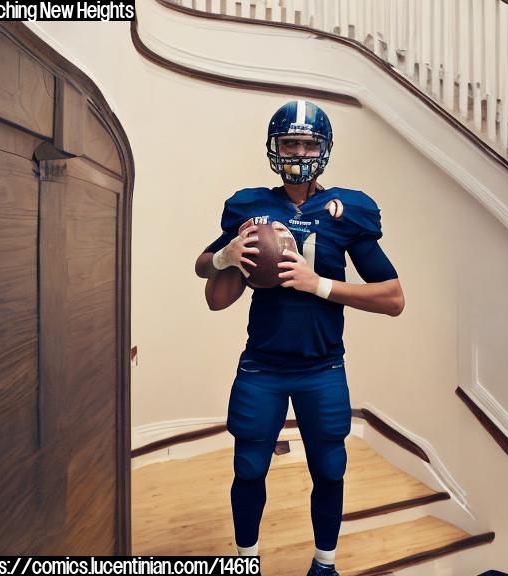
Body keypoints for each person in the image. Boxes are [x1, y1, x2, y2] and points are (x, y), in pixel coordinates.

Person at [194, 100, 405, 576]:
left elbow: (393, 297)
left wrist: (319, 285)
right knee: (249, 466)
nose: (299, 152)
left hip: (322, 365)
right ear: (274, 147)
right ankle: (246, 561)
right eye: (290, 142)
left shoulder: (346, 210)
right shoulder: (249, 207)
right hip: (262, 365)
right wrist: (227, 256)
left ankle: (324, 564)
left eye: (309, 144)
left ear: (324, 149)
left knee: (329, 468)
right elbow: (211, 289)